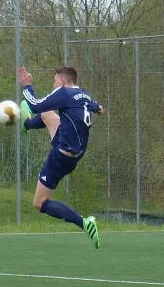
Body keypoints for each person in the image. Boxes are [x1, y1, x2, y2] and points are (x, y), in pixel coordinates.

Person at [17, 66, 103, 248]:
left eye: (55, 81)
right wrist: (97, 109)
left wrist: (27, 86)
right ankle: (27, 125)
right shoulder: (84, 95)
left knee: (39, 203)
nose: (54, 84)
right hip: (75, 151)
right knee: (48, 114)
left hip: (61, 157)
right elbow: (97, 107)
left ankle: (84, 223)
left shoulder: (63, 93)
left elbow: (35, 104)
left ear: (63, 82)